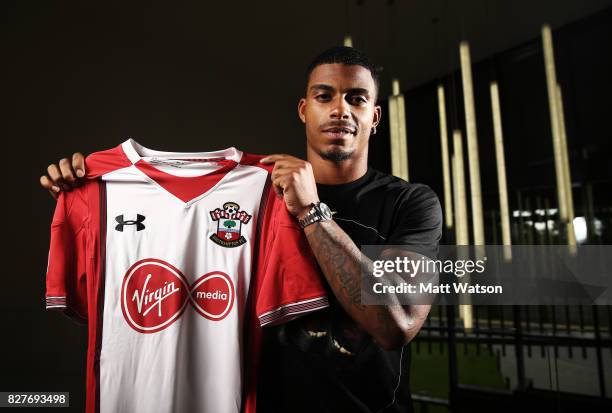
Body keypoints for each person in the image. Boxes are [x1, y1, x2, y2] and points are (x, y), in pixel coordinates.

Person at [40, 46, 442, 412]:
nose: (340, 110)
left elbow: (396, 323)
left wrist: (311, 212)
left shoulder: (411, 203)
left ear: (374, 116)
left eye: (356, 98)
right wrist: (87, 196)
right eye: (325, 96)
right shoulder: (258, 191)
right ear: (304, 109)